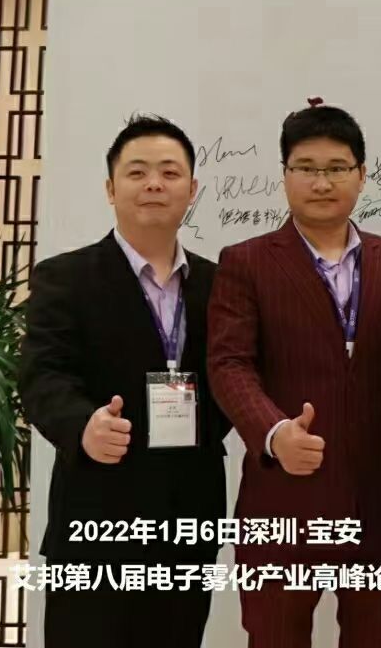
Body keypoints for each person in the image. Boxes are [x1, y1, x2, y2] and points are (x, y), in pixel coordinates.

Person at [208, 104, 381, 648]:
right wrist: (274, 432)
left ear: (362, 175)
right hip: (284, 502)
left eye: (337, 168)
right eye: (306, 168)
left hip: (380, 507)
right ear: (285, 175)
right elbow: (229, 363)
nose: (322, 182)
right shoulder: (247, 261)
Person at [20, 115, 227, 648]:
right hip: (97, 517)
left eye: (169, 173)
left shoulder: (221, 283)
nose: (154, 183)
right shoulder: (65, 277)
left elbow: (235, 374)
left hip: (188, 517)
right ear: (111, 189)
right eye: (137, 172)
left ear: (192, 190)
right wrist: (83, 425)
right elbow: (42, 374)